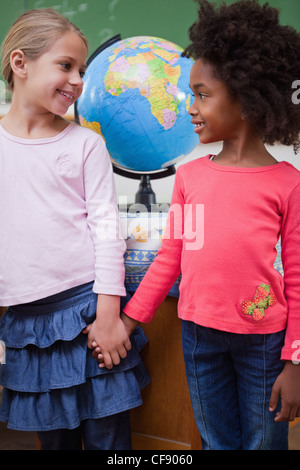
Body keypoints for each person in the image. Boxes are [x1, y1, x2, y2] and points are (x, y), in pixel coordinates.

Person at [95, 0, 300, 450]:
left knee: (265, 443)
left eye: (202, 94)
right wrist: (126, 325)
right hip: (198, 335)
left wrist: (295, 363)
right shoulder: (190, 176)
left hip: (263, 342)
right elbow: (170, 259)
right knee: (214, 442)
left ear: (247, 98)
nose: (191, 106)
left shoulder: (288, 184)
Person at [0, 8, 149, 450]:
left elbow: (107, 232)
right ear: (20, 63)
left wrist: (108, 318)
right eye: (66, 66)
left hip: (88, 315)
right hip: (28, 326)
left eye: (81, 69)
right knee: (55, 441)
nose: (79, 79)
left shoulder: (86, 144)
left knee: (109, 440)